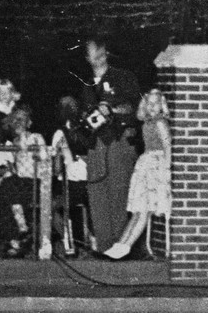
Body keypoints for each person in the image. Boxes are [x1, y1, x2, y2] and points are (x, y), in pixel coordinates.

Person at [79, 35, 140, 253]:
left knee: (119, 193)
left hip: (118, 142)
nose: (98, 55)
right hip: (95, 145)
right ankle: (104, 247)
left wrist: (111, 111)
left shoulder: (123, 77)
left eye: (100, 50)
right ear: (87, 57)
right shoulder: (85, 84)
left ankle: (120, 247)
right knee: (97, 194)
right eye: (92, 51)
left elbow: (135, 108)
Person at [103, 87, 172, 259]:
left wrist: (166, 171)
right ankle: (120, 245)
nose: (152, 107)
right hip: (146, 164)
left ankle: (125, 247)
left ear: (162, 105)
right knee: (138, 210)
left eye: (156, 104)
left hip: (156, 165)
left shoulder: (160, 123)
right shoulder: (147, 123)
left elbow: (167, 146)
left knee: (144, 211)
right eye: (149, 104)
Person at [0, 105, 45, 257]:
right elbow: (12, 169)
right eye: (15, 119)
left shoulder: (35, 137)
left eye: (22, 119)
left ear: (29, 123)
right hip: (18, 184)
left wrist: (26, 145)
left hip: (35, 182)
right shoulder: (13, 142)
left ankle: (19, 234)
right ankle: (16, 241)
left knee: (8, 188)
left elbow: (42, 157)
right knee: (5, 194)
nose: (18, 122)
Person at [51, 95, 90, 255]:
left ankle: (69, 242)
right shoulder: (87, 131)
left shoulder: (60, 134)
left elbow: (56, 168)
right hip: (90, 182)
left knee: (49, 207)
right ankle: (83, 242)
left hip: (71, 184)